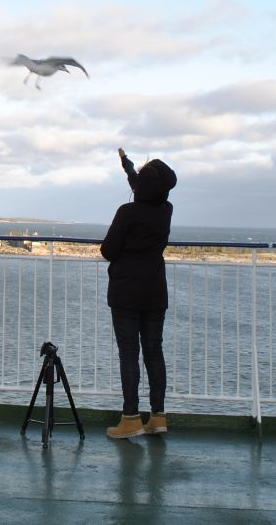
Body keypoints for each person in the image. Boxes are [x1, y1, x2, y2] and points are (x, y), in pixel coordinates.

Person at [103, 148, 177, 439]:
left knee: (129, 354)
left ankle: (130, 418)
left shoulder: (127, 212)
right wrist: (128, 166)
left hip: (126, 292)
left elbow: (108, 250)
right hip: (155, 290)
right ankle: (158, 417)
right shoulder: (165, 209)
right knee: (153, 352)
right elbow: (142, 187)